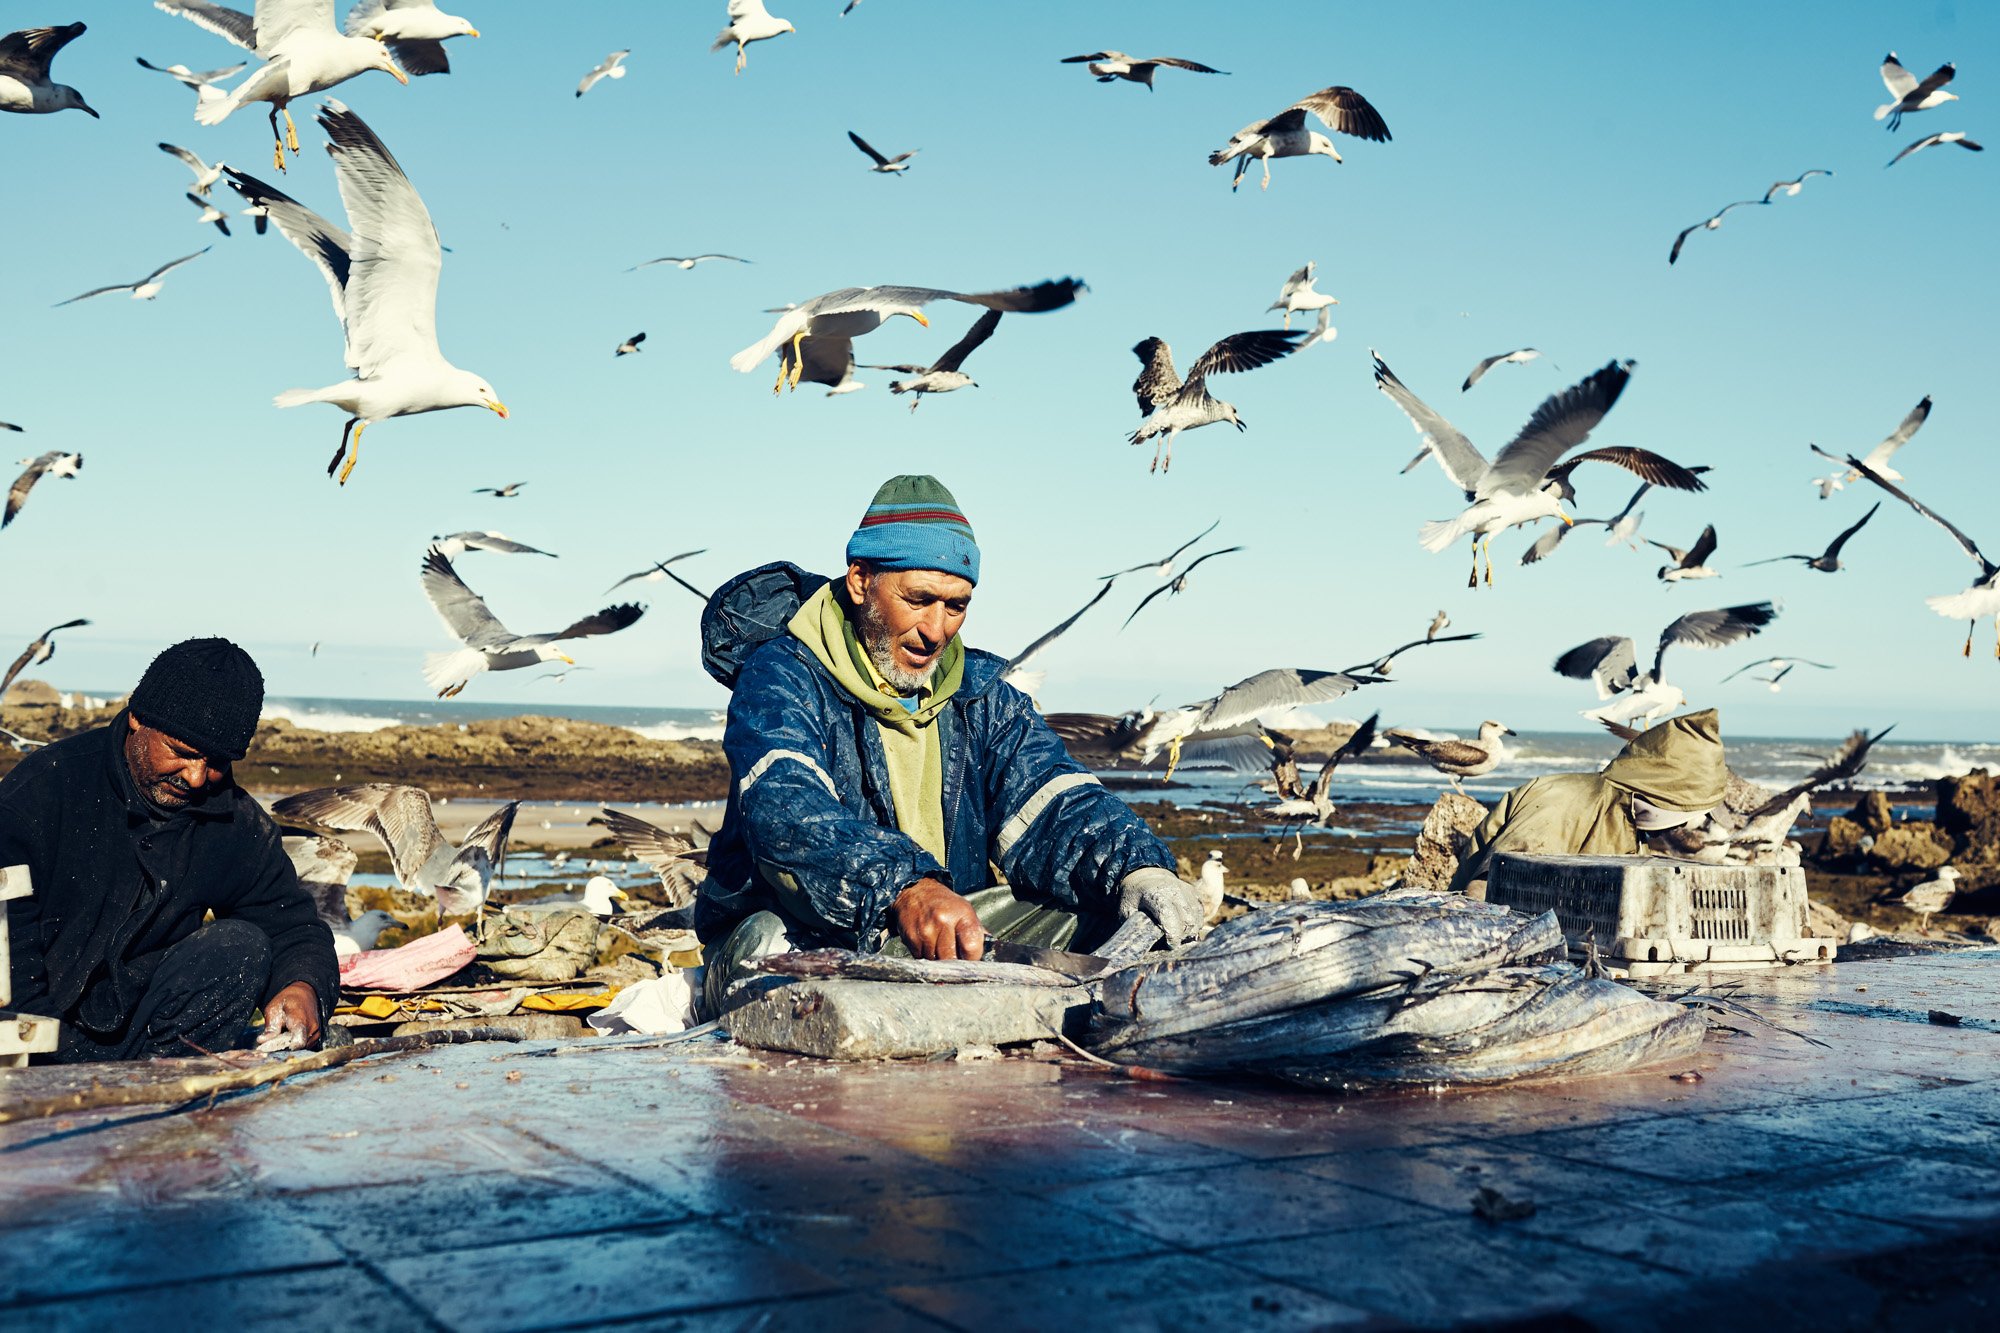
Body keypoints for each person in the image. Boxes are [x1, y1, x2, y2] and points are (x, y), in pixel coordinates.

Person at [696, 475, 1202, 1009]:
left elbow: (1055, 802)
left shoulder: (983, 696)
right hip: (809, 933)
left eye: (956, 606)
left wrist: (1137, 869)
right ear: (861, 579)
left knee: (1116, 924)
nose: (936, 630)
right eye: (919, 600)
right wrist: (904, 888)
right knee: (767, 954)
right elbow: (787, 813)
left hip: (946, 939)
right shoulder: (782, 676)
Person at [0, 638, 338, 1062]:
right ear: (139, 719)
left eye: (216, 762)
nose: (197, 778)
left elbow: (292, 926)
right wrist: (47, 1069)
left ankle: (168, 1100)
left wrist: (303, 985)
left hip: (146, 1043)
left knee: (240, 945)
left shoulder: (234, 820)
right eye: (183, 753)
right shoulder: (45, 790)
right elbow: (11, 952)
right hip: (31, 1039)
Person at [1449, 708, 1727, 895]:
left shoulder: (1626, 821)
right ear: (1659, 791)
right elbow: (1488, 886)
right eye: (1682, 812)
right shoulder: (1561, 801)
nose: (1679, 827)